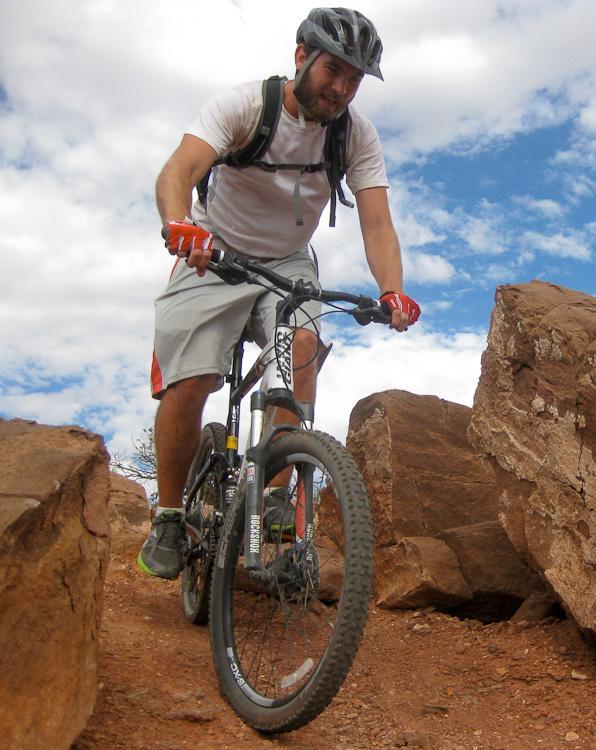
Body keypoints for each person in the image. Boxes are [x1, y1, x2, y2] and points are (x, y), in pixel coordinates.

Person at [138, 7, 420, 579]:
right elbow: (179, 169)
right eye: (332, 71)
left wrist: (392, 292)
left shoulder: (354, 135)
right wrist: (178, 224)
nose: (340, 88)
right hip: (213, 251)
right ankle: (170, 515)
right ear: (301, 58)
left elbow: (377, 224)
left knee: (303, 351)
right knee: (190, 379)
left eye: (353, 78)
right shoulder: (243, 106)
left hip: (289, 264)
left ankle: (274, 494)